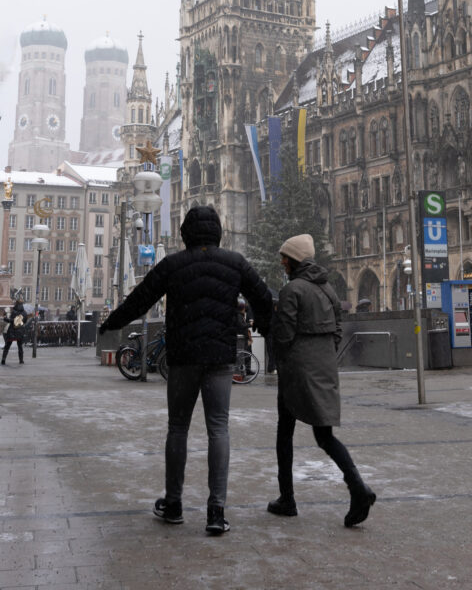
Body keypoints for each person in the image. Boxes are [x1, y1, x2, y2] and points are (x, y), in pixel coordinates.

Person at [99, 205, 272, 535]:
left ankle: (174, 503)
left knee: (178, 427)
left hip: (183, 357)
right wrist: (267, 327)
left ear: (186, 233)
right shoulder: (234, 262)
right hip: (220, 357)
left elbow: (140, 298)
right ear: (218, 232)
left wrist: (112, 323)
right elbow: (262, 297)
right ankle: (216, 510)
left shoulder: (173, 264)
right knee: (218, 428)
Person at [268, 234, 376, 527]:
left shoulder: (292, 290)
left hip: (296, 372)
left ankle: (288, 498)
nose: (282, 262)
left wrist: (282, 356)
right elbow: (338, 328)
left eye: (285, 257)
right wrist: (324, 353)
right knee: (325, 435)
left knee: (284, 434)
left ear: (295, 260)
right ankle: (357, 487)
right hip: (325, 367)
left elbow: (284, 336)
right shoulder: (327, 289)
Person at [2, 297, 27, 364]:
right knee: (20, 347)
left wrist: (6, 319)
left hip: (12, 331)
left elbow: (13, 321)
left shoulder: (14, 311)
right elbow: (24, 321)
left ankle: (3, 360)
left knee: (7, 346)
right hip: (20, 332)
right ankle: (21, 360)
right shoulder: (24, 313)